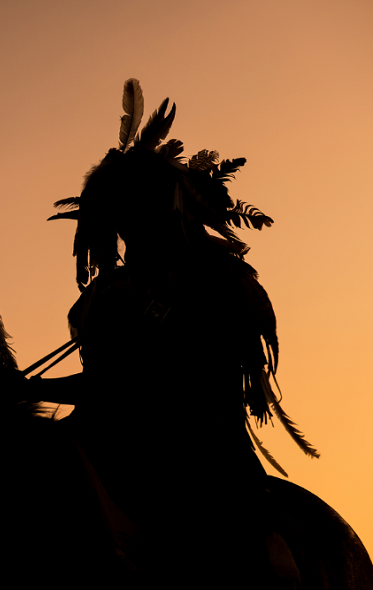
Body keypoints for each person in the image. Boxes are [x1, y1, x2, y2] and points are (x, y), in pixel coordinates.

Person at [48, 80, 315, 588]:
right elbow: (101, 381)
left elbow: (225, 362)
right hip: (106, 431)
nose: (132, 229)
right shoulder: (107, 294)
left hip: (200, 444)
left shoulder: (223, 278)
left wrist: (152, 315)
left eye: (140, 209)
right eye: (122, 218)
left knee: (246, 554)